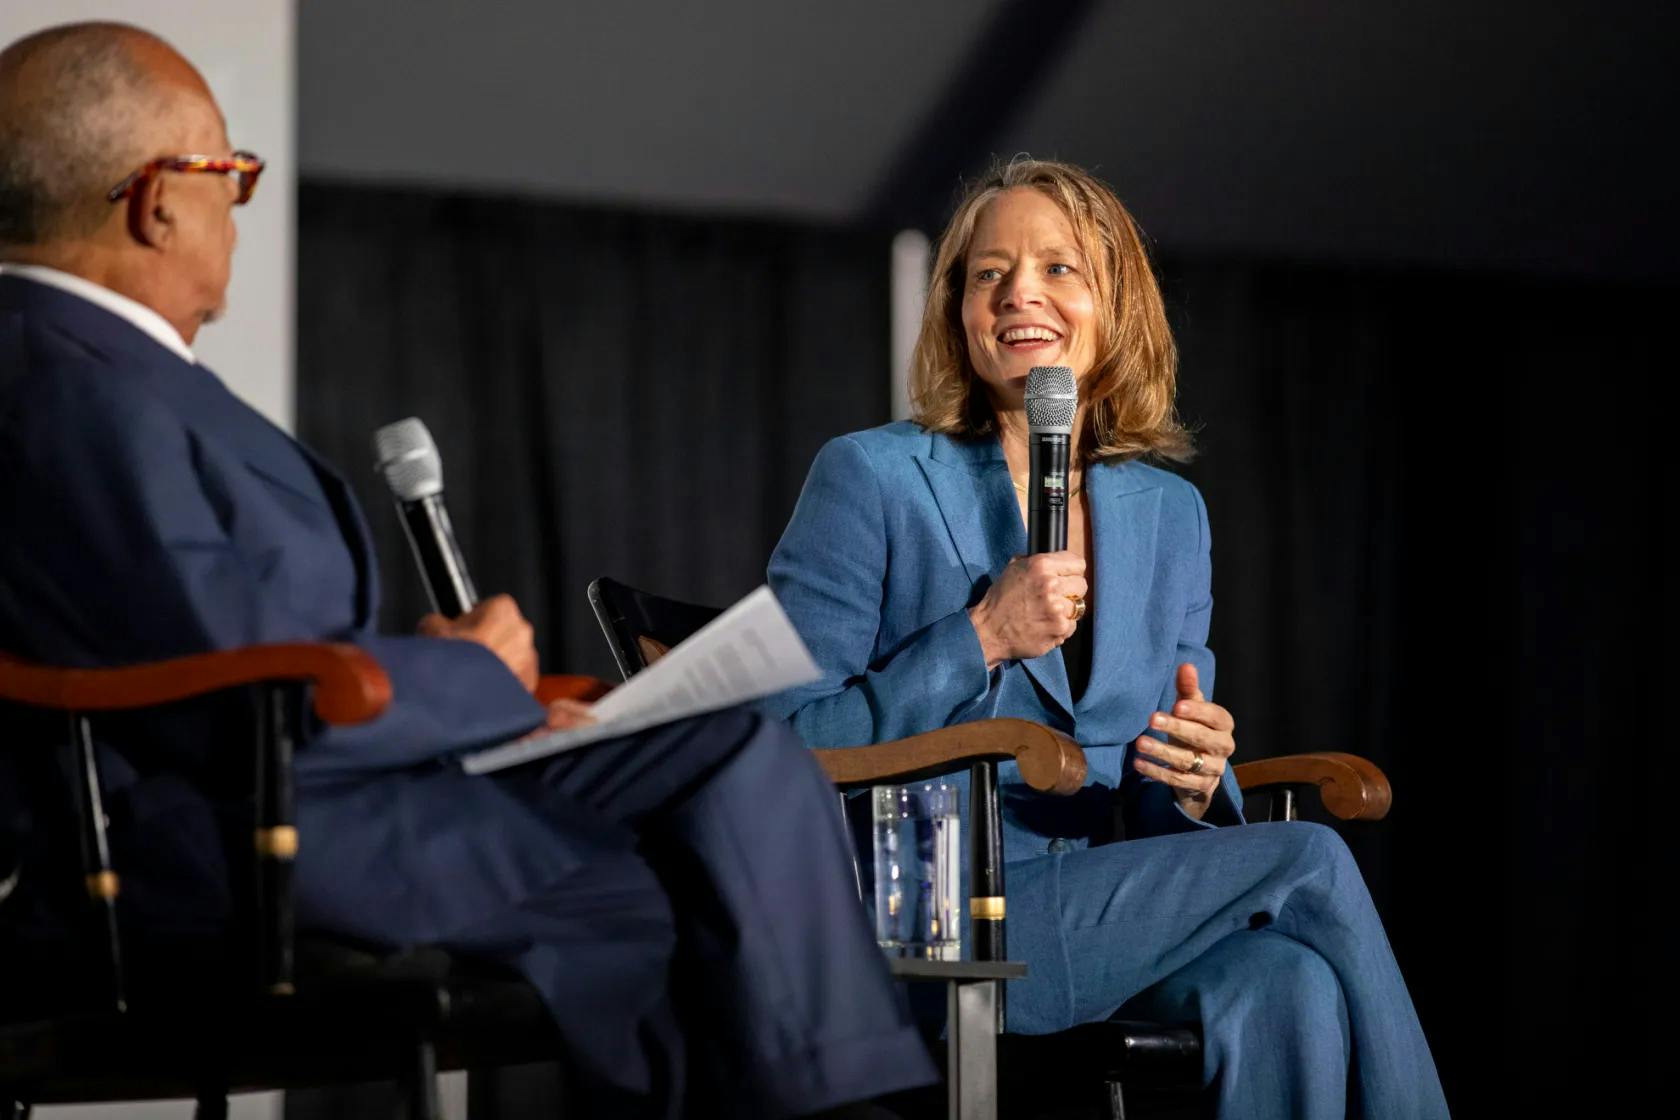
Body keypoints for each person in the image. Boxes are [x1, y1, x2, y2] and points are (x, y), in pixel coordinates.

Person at [0, 22, 934, 1118]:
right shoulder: (69, 385)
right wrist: (474, 682)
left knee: (736, 748)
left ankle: (849, 1098)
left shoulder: (105, 372)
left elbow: (241, 646)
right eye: (231, 174)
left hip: (348, 774)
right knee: (681, 896)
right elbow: (236, 681)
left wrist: (434, 678)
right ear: (160, 197)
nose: (234, 206)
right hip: (244, 836)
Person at [767, 158, 1450, 1118]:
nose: (1020, 296)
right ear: (959, 308)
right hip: (928, 912)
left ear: (1114, 306)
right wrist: (979, 637)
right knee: (1309, 858)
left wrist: (1196, 770)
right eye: (988, 273)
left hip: (1097, 912)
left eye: (1059, 269)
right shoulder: (871, 478)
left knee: (1286, 989)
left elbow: (1165, 813)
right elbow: (780, 741)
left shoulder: (1170, 513)